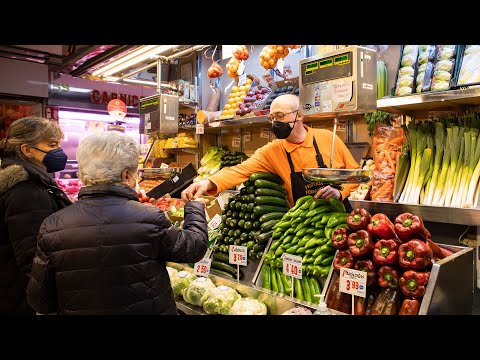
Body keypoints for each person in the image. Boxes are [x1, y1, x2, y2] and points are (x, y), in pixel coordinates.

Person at [26, 131, 208, 315]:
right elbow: (194, 248)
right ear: (127, 175)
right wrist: (194, 207)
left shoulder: (52, 225)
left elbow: (40, 301)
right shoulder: (150, 218)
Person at [182, 94, 360, 210]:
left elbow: (355, 175)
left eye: (280, 116)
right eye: (272, 118)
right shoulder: (272, 151)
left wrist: (340, 192)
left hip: (339, 220)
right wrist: (207, 182)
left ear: (299, 115)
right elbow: (239, 170)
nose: (275, 123)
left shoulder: (328, 139)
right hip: (303, 226)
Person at [0, 116, 71, 315]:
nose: (59, 151)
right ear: (27, 150)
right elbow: (34, 256)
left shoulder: (18, 177)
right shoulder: (27, 190)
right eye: (52, 145)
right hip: (22, 298)